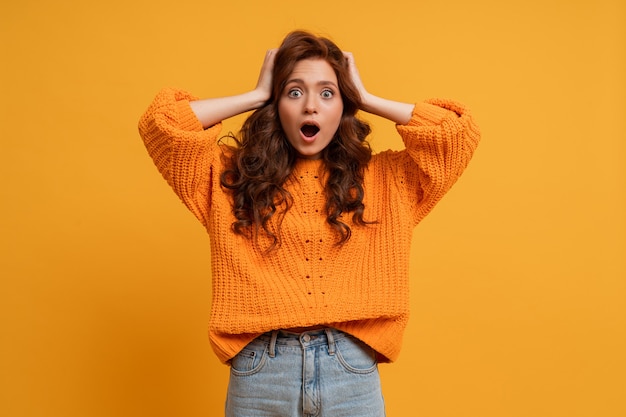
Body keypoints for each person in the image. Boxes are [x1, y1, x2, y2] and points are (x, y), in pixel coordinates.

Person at [139, 30, 480, 417]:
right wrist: (255, 94)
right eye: (294, 92)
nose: (311, 107)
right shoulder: (230, 178)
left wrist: (366, 97)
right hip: (260, 373)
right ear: (277, 103)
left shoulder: (388, 179)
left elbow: (455, 133)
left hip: (350, 371)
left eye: (328, 93)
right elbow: (162, 124)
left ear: (343, 105)